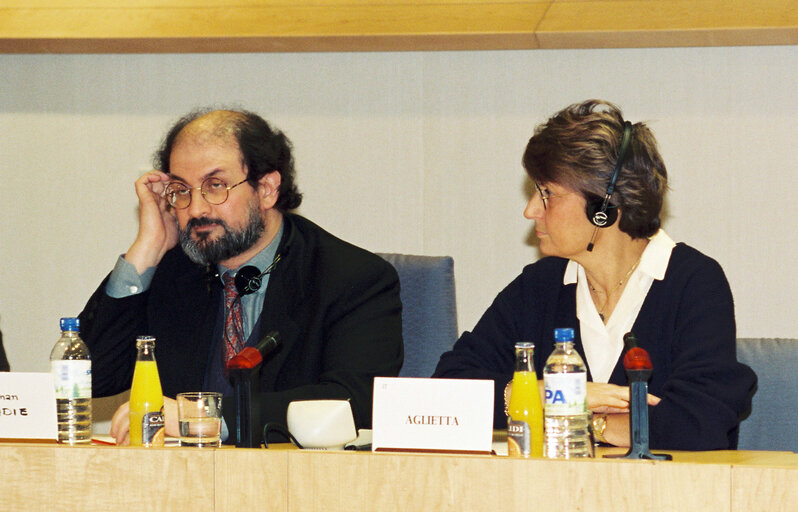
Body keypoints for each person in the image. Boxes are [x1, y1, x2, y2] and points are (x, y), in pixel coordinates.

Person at [433, 100, 756, 450]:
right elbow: (447, 391)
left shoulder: (693, 282)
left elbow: (699, 422)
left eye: (547, 195)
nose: (530, 211)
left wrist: (589, 421)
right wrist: (542, 395)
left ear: (603, 208)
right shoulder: (540, 285)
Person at [79, 108, 403, 444]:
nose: (197, 209)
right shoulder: (172, 272)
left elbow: (355, 402)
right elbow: (91, 378)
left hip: (297, 484)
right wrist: (147, 250)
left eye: (215, 185)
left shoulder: (351, 278)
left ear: (267, 189)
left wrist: (203, 418)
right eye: (182, 190)